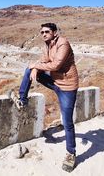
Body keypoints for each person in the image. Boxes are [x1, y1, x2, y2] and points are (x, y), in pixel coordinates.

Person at [15, 22, 79, 172]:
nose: (43, 34)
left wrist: (35, 66)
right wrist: (35, 67)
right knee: (28, 70)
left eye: (47, 32)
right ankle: (22, 100)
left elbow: (56, 65)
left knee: (67, 123)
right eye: (42, 32)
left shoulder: (63, 44)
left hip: (68, 87)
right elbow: (43, 61)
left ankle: (71, 153)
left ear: (55, 32)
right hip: (55, 82)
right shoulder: (47, 46)